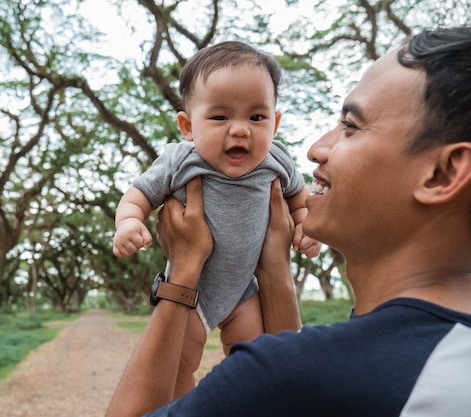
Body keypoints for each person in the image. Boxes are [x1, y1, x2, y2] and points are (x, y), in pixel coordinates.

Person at [106, 26, 471, 417]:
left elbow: (279, 379)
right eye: (220, 115)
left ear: (442, 173)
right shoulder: (441, 356)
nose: (315, 150)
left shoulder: (280, 376)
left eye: (350, 125)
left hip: (233, 293)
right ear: (188, 126)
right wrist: (275, 267)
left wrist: (183, 273)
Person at [112, 41, 320, 396]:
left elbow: (301, 202)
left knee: (253, 359)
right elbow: (138, 196)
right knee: (178, 363)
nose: (240, 130)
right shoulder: (181, 161)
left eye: (257, 117)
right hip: (193, 292)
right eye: (220, 117)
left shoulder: (277, 160)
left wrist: (306, 228)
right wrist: (129, 222)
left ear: (275, 122)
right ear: (188, 126)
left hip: (246, 291)